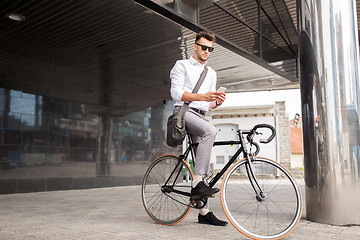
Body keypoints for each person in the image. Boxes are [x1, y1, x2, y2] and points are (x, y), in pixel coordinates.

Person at [170, 31, 227, 226]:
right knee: (211, 131)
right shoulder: (182, 65)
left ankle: (204, 212)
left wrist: (216, 102)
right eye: (204, 47)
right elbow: (176, 93)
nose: (207, 51)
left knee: (204, 167)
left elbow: (207, 105)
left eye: (210, 49)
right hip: (184, 112)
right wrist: (203, 97)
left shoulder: (211, 73)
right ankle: (196, 184)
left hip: (200, 115)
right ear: (195, 46)